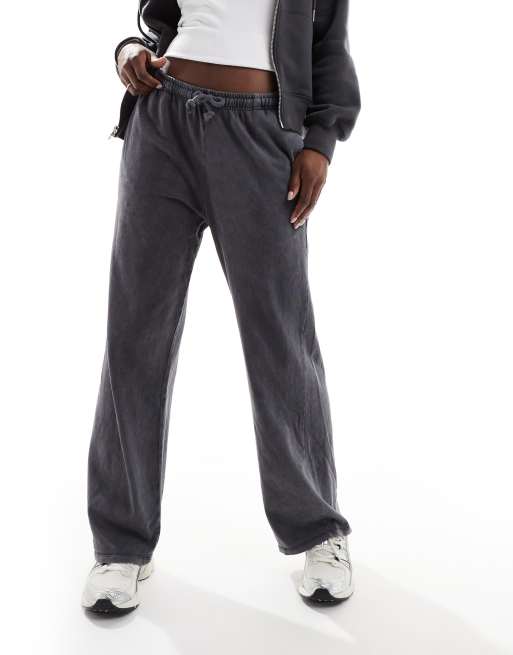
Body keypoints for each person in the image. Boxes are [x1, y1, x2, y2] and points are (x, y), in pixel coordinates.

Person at [82, 0, 360, 615]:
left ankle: (318, 532)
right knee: (134, 332)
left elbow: (330, 45)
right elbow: (158, 25)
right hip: (162, 123)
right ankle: (121, 545)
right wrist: (129, 53)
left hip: (261, 132)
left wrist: (320, 141)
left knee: (280, 334)